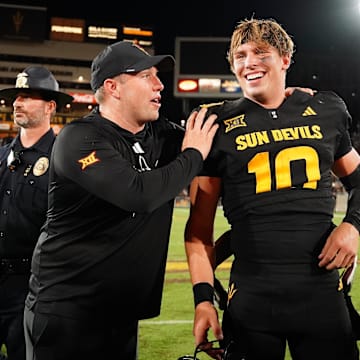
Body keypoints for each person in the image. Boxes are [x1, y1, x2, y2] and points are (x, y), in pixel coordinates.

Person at [23, 40, 219, 360]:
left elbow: (220, 128)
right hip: (69, 314)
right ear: (113, 87)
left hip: (122, 314)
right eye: (146, 76)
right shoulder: (79, 138)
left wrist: (282, 100)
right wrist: (194, 154)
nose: (159, 85)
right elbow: (140, 195)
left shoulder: (159, 135)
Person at [184, 17, 360, 360]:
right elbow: (199, 232)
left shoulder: (325, 108)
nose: (248, 62)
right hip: (252, 300)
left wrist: (352, 225)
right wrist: (203, 300)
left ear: (285, 59)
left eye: (260, 53)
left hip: (322, 293)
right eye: (240, 55)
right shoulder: (213, 123)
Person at [0, 66, 73, 360]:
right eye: (17, 97)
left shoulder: (63, 158)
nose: (18, 102)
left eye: (28, 97)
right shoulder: (2, 154)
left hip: (34, 289)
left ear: (50, 106)